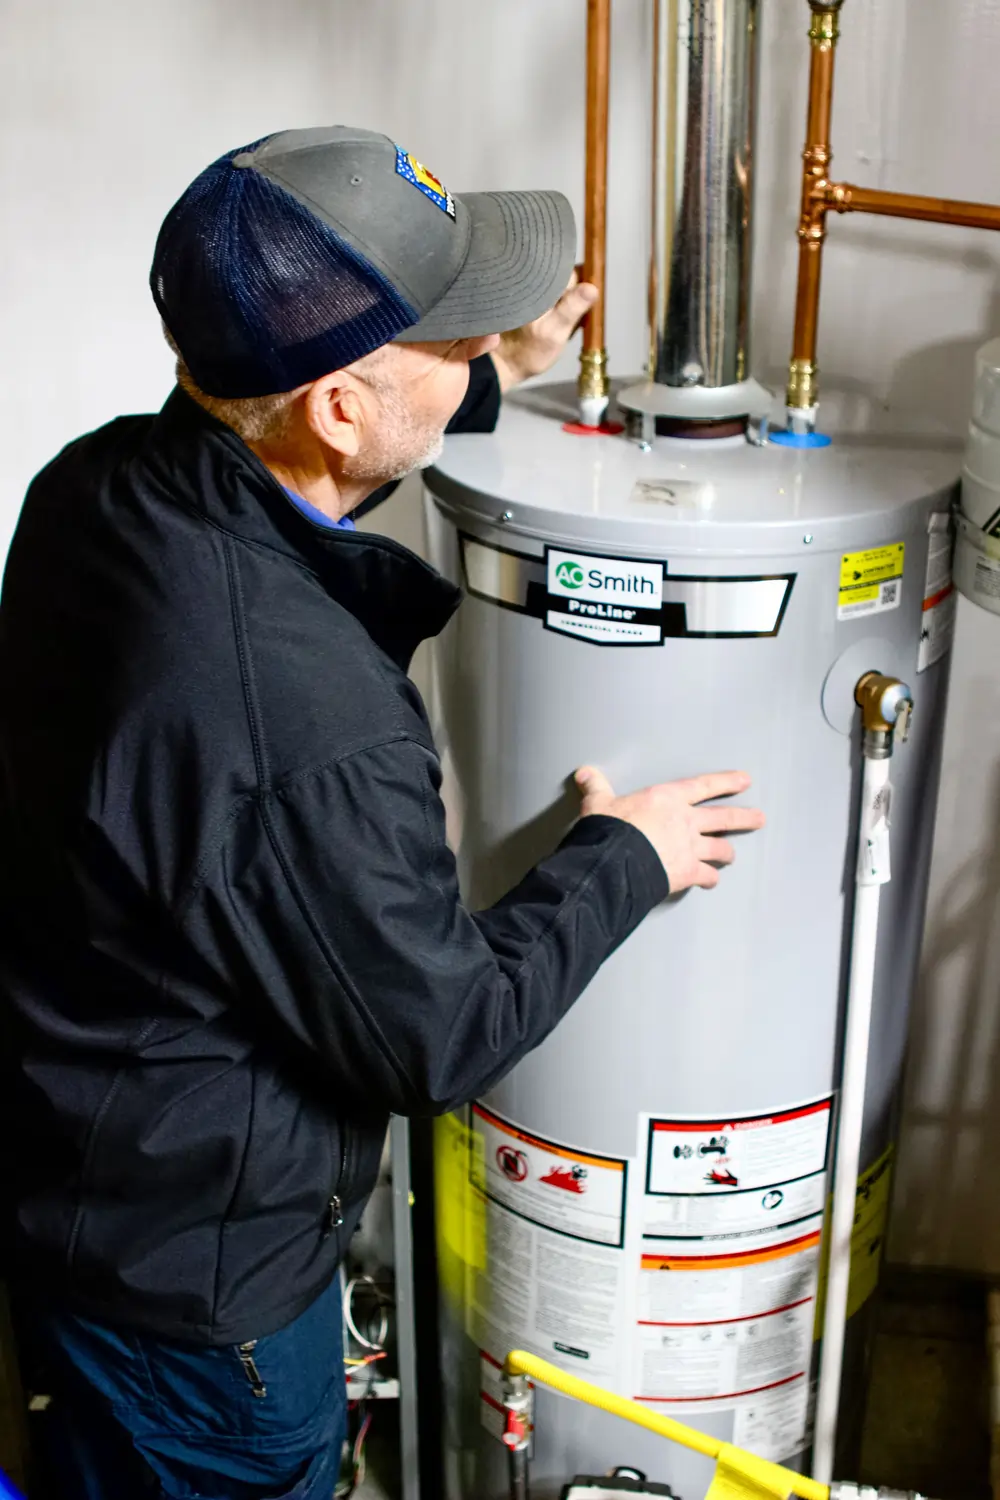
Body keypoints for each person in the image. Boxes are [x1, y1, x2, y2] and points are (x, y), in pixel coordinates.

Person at [0, 126, 764, 1500]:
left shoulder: (95, 489)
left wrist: (492, 382)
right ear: (340, 406)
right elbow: (438, 1034)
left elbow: (308, 449)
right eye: (459, 338)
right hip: (203, 1320)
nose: (486, 347)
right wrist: (626, 858)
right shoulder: (314, 730)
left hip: (77, 1180)